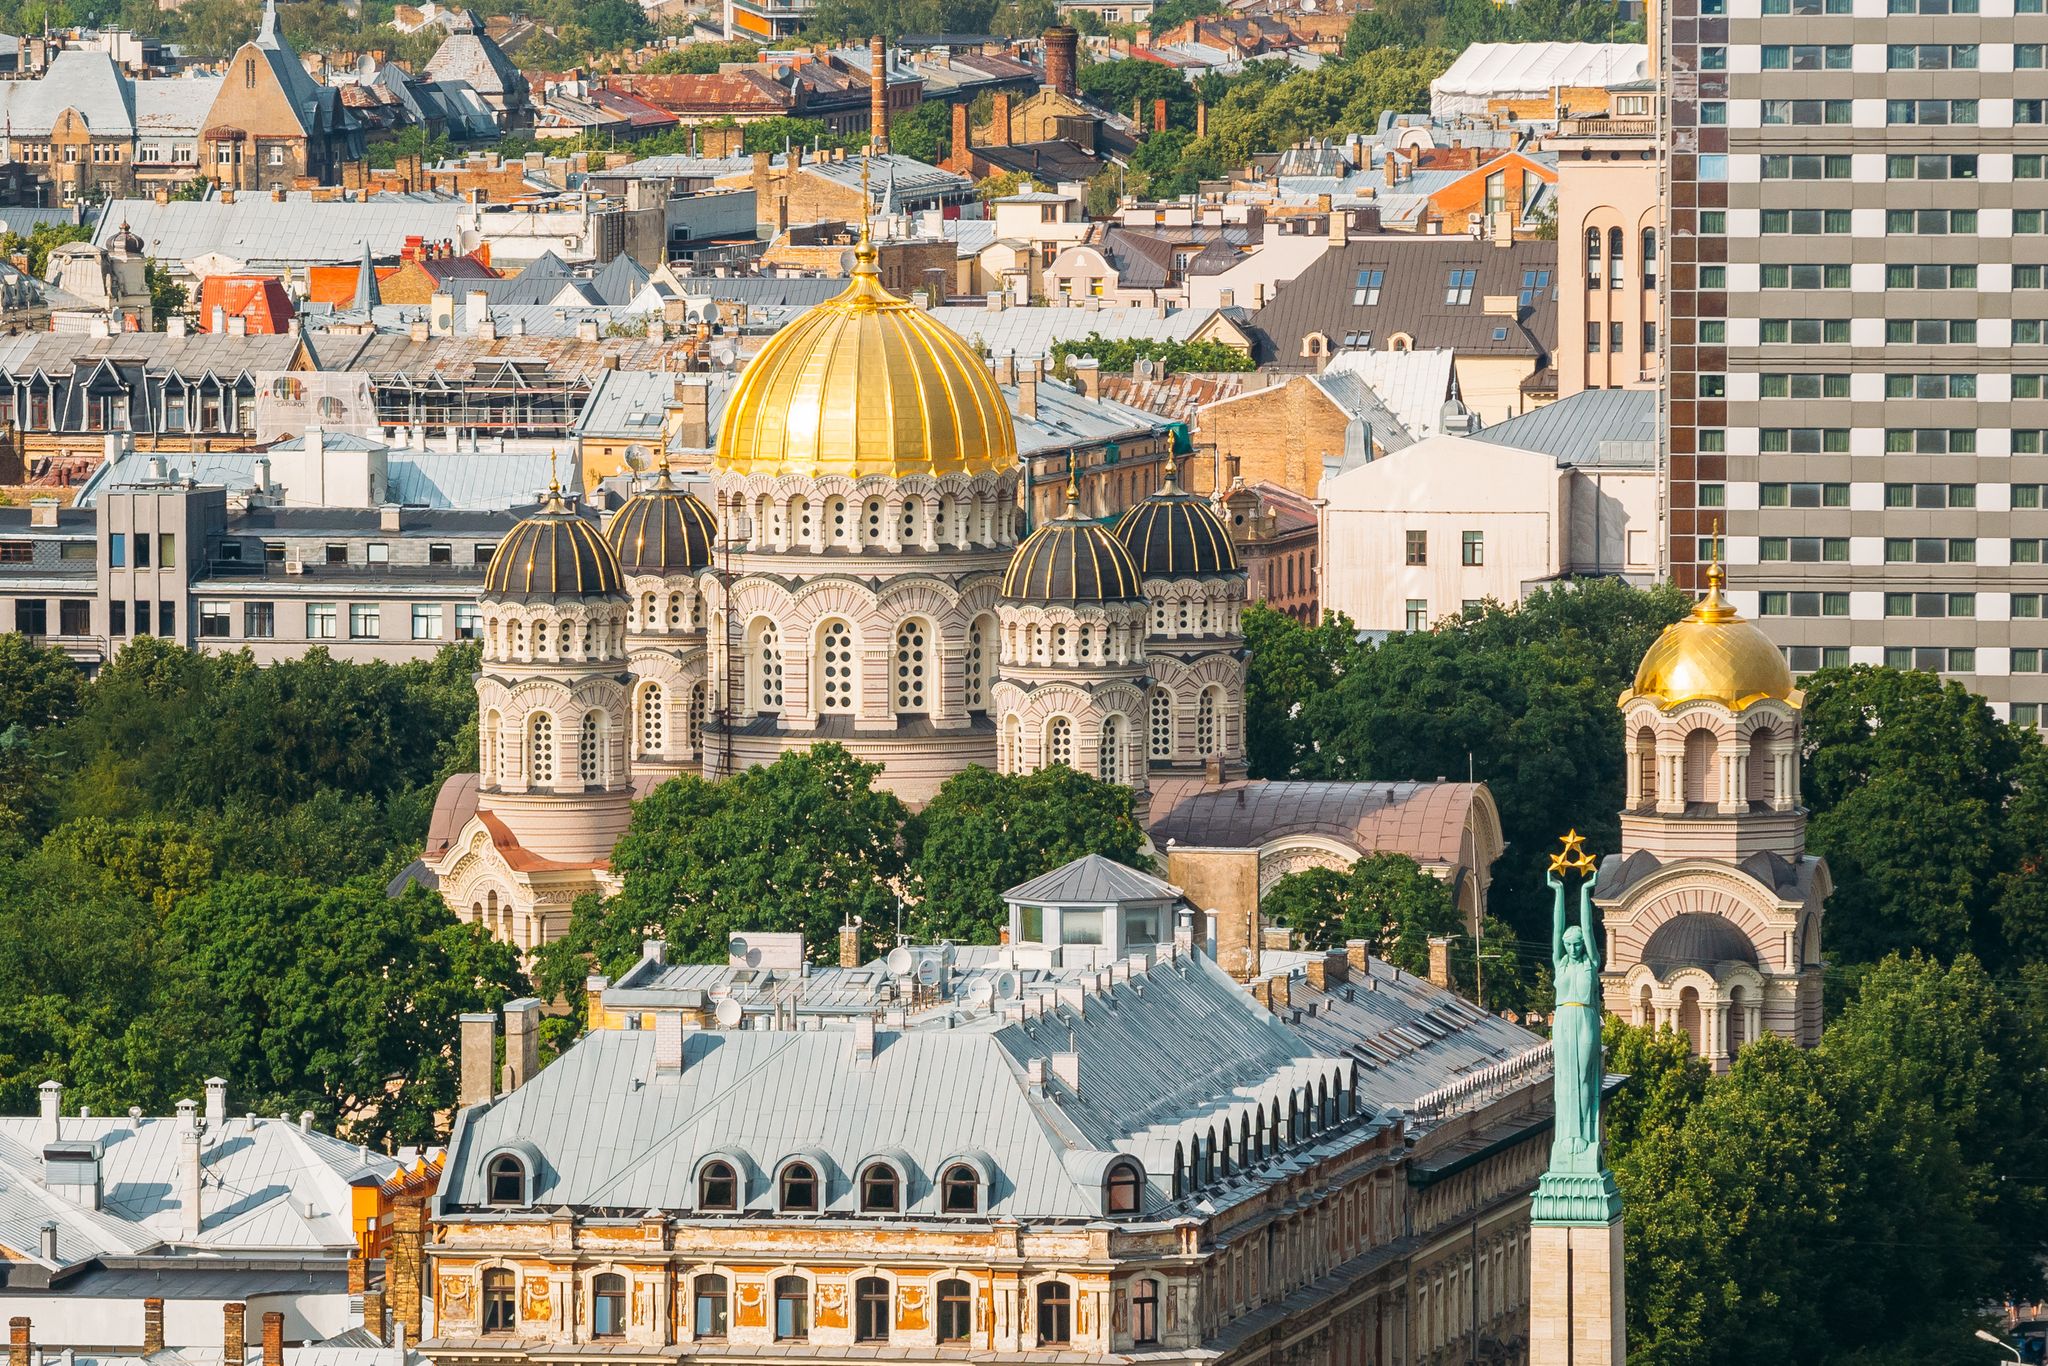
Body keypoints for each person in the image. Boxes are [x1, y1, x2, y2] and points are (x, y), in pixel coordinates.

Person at [1548, 862, 1604, 1171]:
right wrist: (1557, 891)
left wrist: (1585, 892)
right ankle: (1566, 1136)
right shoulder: (1562, 963)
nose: (1571, 947)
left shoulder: (1589, 964)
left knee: (1583, 1077)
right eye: (1568, 944)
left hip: (1585, 1020)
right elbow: (1557, 929)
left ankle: (1582, 1134)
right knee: (1565, 1078)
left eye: (1576, 942)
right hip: (1563, 1021)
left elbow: (1588, 927)